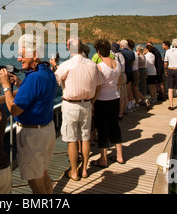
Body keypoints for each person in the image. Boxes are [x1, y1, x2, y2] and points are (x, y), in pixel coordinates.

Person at [0, 34, 57, 194]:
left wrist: (6, 87)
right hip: (47, 130)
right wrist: (20, 83)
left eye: (22, 55)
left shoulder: (33, 79)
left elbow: (14, 109)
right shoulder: (48, 72)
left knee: (35, 181)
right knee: (43, 173)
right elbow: (36, 91)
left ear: (35, 55)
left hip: (33, 136)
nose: (18, 59)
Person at [54, 37, 103, 181]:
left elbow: (55, 80)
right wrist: (92, 101)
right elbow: (99, 84)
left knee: (72, 140)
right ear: (82, 48)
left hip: (70, 105)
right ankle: (85, 170)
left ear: (70, 48)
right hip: (87, 104)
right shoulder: (92, 64)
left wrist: (54, 67)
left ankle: (74, 172)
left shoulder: (66, 65)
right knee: (86, 137)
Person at [90, 39, 124, 168]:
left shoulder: (99, 67)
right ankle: (119, 156)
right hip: (115, 98)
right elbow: (119, 82)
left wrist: (92, 102)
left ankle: (103, 159)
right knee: (115, 126)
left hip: (102, 100)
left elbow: (96, 87)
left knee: (102, 129)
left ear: (98, 52)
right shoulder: (117, 64)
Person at [111, 42, 127, 119]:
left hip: (119, 76)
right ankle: (123, 111)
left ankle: (119, 113)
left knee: (119, 95)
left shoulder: (115, 56)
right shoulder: (121, 55)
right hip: (123, 75)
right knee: (123, 94)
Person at [120, 40, 135, 112]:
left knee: (125, 91)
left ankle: (127, 106)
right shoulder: (132, 52)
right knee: (130, 90)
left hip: (125, 73)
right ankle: (131, 104)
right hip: (130, 71)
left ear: (121, 46)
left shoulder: (121, 52)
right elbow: (133, 62)